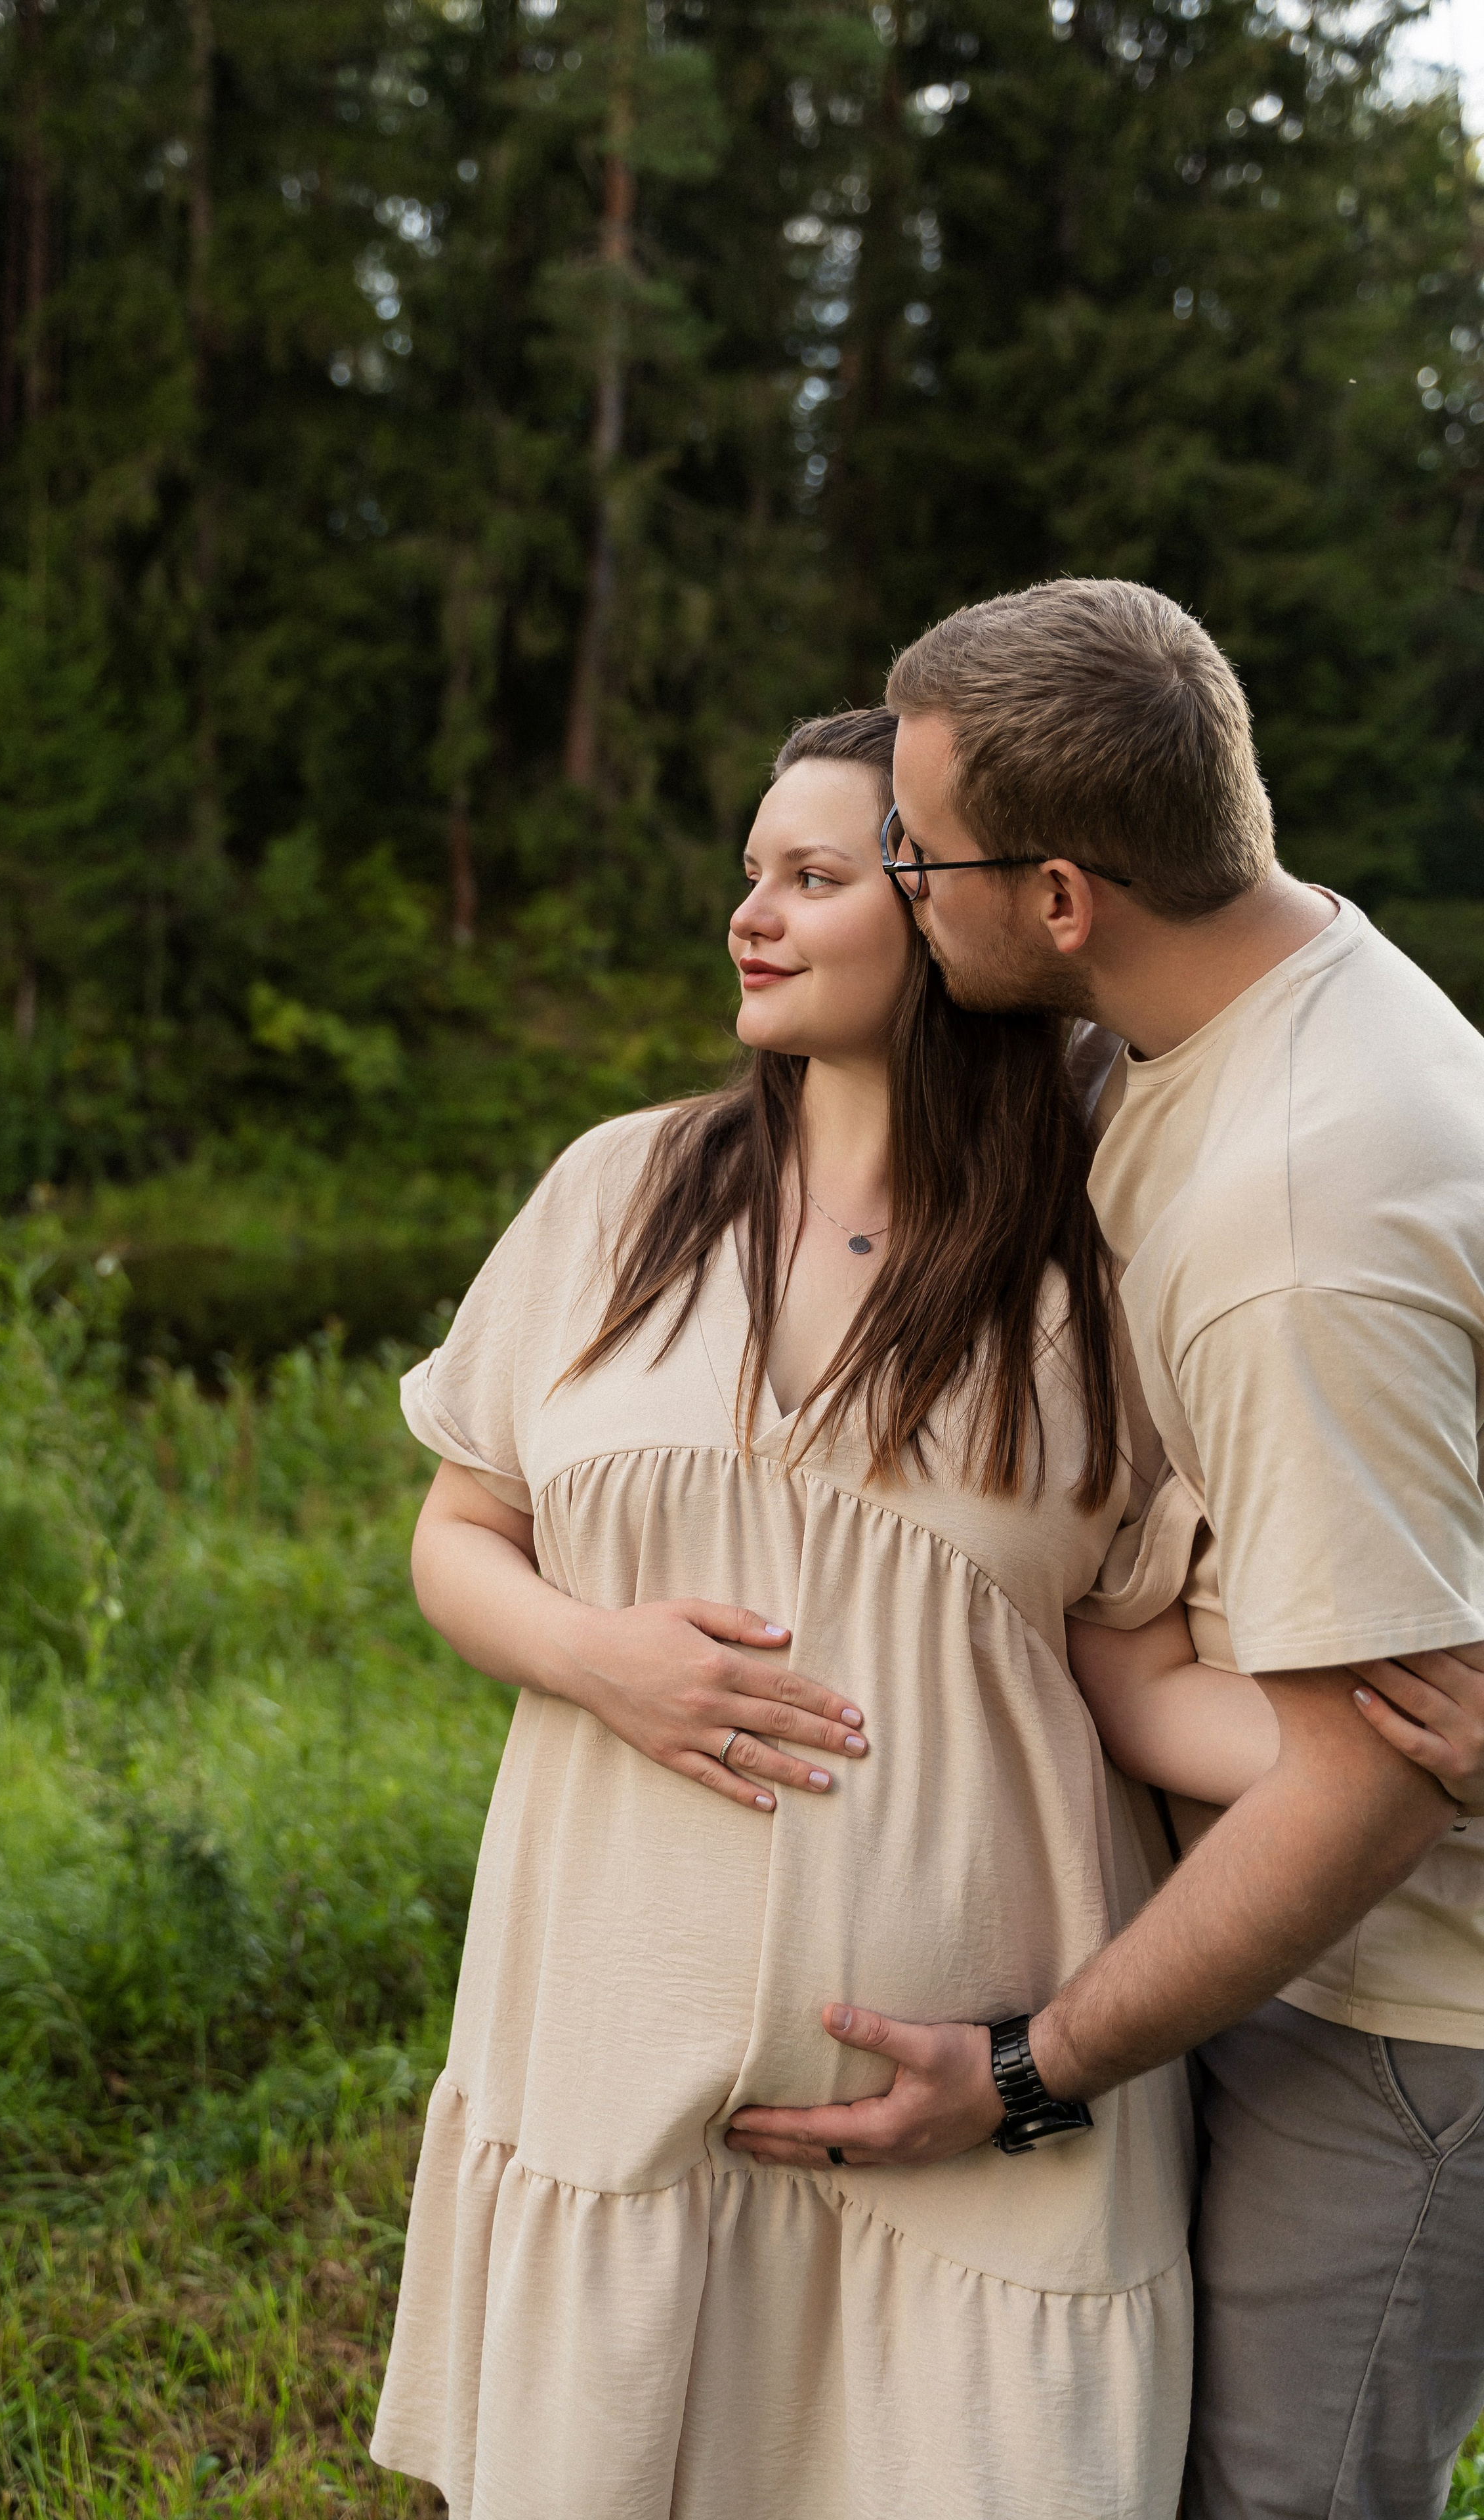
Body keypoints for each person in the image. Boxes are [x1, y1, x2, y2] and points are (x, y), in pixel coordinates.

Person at [370, 705, 1219, 2519]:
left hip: (982, 2126)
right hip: (617, 2053)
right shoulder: (620, 1191)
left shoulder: (1103, 1260)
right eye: (752, 873)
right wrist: (594, 1657)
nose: (751, 914)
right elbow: (458, 1532)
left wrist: (1395, 1749)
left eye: (815, 878)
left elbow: (1133, 1678)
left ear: (951, 921)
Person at [725, 583, 1484, 2520]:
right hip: (1283, 1921)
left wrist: (1026, 2066)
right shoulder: (1221, 1008)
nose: (892, 882)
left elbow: (1379, 1782)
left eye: (918, 851)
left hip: (1406, 2006)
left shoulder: (1292, 1232)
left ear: (1065, 894)